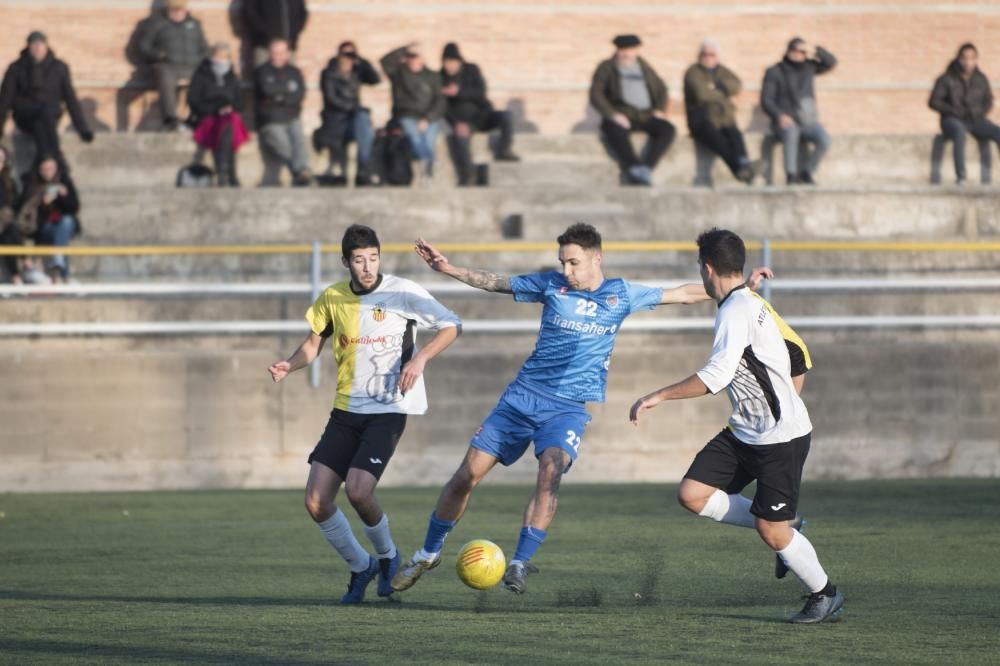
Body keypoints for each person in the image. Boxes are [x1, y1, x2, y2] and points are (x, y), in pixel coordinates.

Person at [391, 224, 771, 595]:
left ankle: (520, 563)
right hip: (520, 399)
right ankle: (428, 552)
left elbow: (684, 294)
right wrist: (448, 268)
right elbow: (498, 281)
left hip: (567, 409)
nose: (565, 271)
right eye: (562, 263)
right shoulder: (550, 286)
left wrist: (739, 287)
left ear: (596, 259)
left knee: (550, 471)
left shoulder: (620, 295)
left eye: (573, 263)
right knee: (465, 477)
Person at [629, 228, 843, 624]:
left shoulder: (735, 310)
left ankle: (824, 593)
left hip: (781, 438)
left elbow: (716, 376)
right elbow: (790, 351)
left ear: (708, 269)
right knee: (693, 494)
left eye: (701, 268)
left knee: (770, 530)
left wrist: (656, 396)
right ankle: (789, 526)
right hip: (745, 430)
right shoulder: (744, 300)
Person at [268, 224, 462, 604]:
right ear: (346, 262)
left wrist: (421, 358)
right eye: (359, 260)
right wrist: (288, 366)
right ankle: (362, 566)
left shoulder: (402, 292)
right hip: (345, 411)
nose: (368, 266)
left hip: (388, 410)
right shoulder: (332, 298)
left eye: (373, 258)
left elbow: (452, 325)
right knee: (315, 502)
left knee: (358, 490)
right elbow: (311, 346)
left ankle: (389, 558)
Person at [589, 34, 675, 186]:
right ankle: (633, 166)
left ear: (635, 51)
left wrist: (660, 110)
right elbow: (596, 94)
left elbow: (661, 89)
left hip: (645, 115)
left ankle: (646, 167)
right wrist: (613, 114)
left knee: (667, 129)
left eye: (630, 50)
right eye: (623, 50)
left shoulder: (644, 67)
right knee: (614, 130)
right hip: (621, 114)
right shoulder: (607, 67)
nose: (626, 54)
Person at [0, 32, 93, 166]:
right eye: (34, 44)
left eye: (40, 44)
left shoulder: (59, 67)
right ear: (28, 47)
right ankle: (58, 163)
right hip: (25, 116)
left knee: (42, 119)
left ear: (46, 46)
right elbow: (5, 101)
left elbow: (70, 99)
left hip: (49, 116)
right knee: (41, 117)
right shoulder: (16, 68)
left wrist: (82, 129)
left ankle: (44, 165)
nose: (37, 48)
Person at [440, 42, 520, 186]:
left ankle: (504, 150)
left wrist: (459, 92)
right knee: (461, 137)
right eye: (446, 62)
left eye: (452, 62)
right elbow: (443, 107)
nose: (449, 66)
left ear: (459, 61)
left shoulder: (472, 70)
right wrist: (456, 123)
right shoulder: (440, 78)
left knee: (506, 116)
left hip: (482, 115)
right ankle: (468, 175)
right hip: (464, 122)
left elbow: (481, 92)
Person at [760, 37, 836, 185]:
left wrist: (816, 49)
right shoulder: (775, 71)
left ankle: (807, 172)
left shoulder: (809, 67)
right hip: (784, 120)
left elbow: (830, 62)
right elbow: (766, 100)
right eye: (795, 50)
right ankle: (791, 175)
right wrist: (779, 115)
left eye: (802, 52)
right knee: (791, 132)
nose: (798, 54)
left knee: (824, 139)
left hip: (807, 120)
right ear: (788, 51)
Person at [684, 39, 758, 184]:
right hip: (701, 120)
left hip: (723, 118)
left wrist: (716, 88)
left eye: (712, 55)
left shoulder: (722, 71)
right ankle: (740, 169)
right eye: (705, 54)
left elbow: (736, 84)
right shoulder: (693, 72)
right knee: (720, 142)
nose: (708, 57)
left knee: (735, 135)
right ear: (699, 55)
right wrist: (723, 93)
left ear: (717, 56)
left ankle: (744, 163)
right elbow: (701, 93)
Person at [929, 43, 999, 186]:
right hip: (951, 119)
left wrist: (979, 112)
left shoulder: (980, 78)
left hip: (975, 119)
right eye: (965, 58)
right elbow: (934, 101)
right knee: (959, 131)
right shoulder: (946, 78)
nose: (968, 62)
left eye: (972, 58)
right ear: (959, 59)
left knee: (997, 132)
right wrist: (953, 110)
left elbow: (989, 100)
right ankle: (961, 176)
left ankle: (989, 178)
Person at [314, 42, 380, 186]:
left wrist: (361, 60)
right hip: (336, 120)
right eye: (344, 54)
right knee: (361, 116)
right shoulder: (329, 73)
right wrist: (352, 108)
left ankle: (363, 169)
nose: (347, 58)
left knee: (364, 121)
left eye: (351, 55)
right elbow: (331, 99)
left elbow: (375, 79)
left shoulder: (357, 71)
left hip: (354, 120)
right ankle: (360, 170)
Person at [139, 0, 209, 132]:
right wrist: (160, 55)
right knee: (164, 75)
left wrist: (201, 59)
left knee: (205, 76)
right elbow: (144, 46)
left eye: (180, 10)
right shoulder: (156, 23)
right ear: (168, 9)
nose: (177, 13)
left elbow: (205, 49)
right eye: (174, 10)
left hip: (192, 65)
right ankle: (170, 119)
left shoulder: (195, 24)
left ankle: (197, 118)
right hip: (168, 65)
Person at [187, 42, 249, 187]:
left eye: (225, 57)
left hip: (229, 117)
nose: (221, 60)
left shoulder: (231, 76)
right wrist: (216, 109)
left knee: (228, 123)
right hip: (207, 116)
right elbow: (193, 100)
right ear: (212, 56)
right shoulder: (202, 74)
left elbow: (240, 102)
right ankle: (230, 174)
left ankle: (223, 172)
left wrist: (229, 108)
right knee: (223, 127)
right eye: (218, 56)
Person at [381, 43, 446, 180]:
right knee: (415, 137)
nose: (413, 61)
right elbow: (385, 61)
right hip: (407, 115)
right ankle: (428, 162)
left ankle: (428, 164)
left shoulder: (433, 77)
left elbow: (440, 101)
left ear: (422, 59)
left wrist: (428, 118)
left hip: (428, 117)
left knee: (429, 139)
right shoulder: (399, 74)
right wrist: (405, 49)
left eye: (416, 57)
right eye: (410, 57)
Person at [254, 39, 311, 186]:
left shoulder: (294, 71)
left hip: (292, 115)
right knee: (283, 145)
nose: (278, 56)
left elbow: (299, 94)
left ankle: (301, 172)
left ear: (287, 54)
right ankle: (301, 172)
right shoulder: (263, 71)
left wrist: (279, 96)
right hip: (271, 119)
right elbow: (267, 90)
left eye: (281, 53)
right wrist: (286, 94)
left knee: (299, 139)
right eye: (275, 53)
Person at [17, 155, 80, 284]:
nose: (47, 172)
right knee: (62, 235)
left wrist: (64, 196)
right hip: (42, 227)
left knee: (66, 224)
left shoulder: (64, 183)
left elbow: (73, 208)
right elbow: (25, 212)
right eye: (44, 169)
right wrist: (42, 203)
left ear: (56, 169)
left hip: (61, 225)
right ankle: (65, 276)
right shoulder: (32, 186)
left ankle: (59, 268)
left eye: (50, 169)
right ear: (39, 170)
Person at [242, 0, 309, 67]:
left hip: (288, 49)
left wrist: (291, 36)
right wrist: (269, 36)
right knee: (263, 75)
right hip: (264, 47)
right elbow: (250, 12)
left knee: (290, 75)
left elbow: (302, 13)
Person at [0, 145, 24, 283]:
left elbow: (14, 205)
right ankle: (24, 262)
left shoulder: (9, 183)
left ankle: (16, 276)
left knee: (11, 232)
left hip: (4, 226)